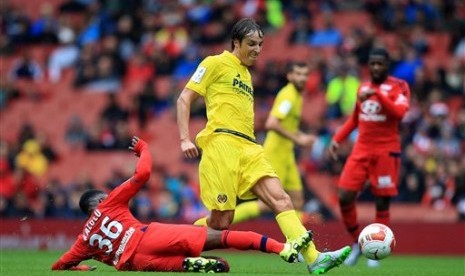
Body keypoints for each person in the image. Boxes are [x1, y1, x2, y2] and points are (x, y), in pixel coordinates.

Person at [176, 18, 350, 274]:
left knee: (282, 199)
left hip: (250, 147)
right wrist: (184, 138)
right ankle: (179, 243)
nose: (257, 49)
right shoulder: (214, 63)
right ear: (236, 42)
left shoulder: (246, 74)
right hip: (222, 144)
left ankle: (314, 259)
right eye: (251, 44)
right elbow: (184, 98)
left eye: (260, 44)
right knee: (221, 221)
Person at [51, 136, 313, 272]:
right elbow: (142, 174)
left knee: (221, 265)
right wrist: (144, 149)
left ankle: (192, 264)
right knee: (223, 237)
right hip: (146, 237)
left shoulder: (83, 240)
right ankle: (283, 249)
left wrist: (80, 267)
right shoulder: (108, 205)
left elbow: (58, 265)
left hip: (137, 264)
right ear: (98, 201)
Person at [329, 48, 410, 267]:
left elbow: (399, 114)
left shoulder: (399, 87)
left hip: (386, 150)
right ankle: (358, 243)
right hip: (361, 150)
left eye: (379, 64)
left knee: (382, 200)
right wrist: (337, 138)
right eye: (372, 64)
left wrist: (378, 95)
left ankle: (376, 252)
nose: (375, 68)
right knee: (344, 195)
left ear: (387, 65)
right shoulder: (362, 87)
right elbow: (355, 118)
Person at [232, 61, 318, 224]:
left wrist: (302, 136)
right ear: (290, 76)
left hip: (287, 155)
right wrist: (299, 139)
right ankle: (218, 222)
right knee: (266, 205)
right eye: (298, 74)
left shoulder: (297, 96)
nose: (302, 78)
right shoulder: (288, 96)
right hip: (276, 153)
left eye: (305, 75)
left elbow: (287, 125)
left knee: (298, 201)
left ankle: (295, 241)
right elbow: (271, 123)